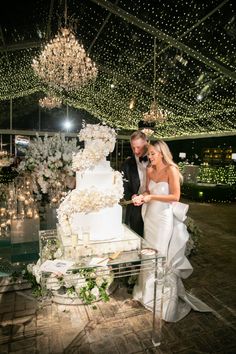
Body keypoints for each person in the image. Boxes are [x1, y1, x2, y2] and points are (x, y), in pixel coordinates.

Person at [132, 140, 212, 322]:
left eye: (153, 153)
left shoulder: (171, 170)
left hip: (164, 218)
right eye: (149, 154)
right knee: (148, 253)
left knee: (160, 253)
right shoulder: (149, 170)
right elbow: (146, 192)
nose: (150, 157)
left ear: (162, 153)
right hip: (150, 216)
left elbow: (175, 196)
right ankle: (147, 294)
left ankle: (162, 297)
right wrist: (141, 197)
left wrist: (151, 196)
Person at [120, 130, 149, 237]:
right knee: (137, 236)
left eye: (139, 147)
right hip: (136, 206)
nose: (136, 151)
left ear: (146, 143)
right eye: (133, 147)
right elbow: (123, 186)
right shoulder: (127, 164)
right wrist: (132, 196)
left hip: (154, 204)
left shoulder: (155, 159)